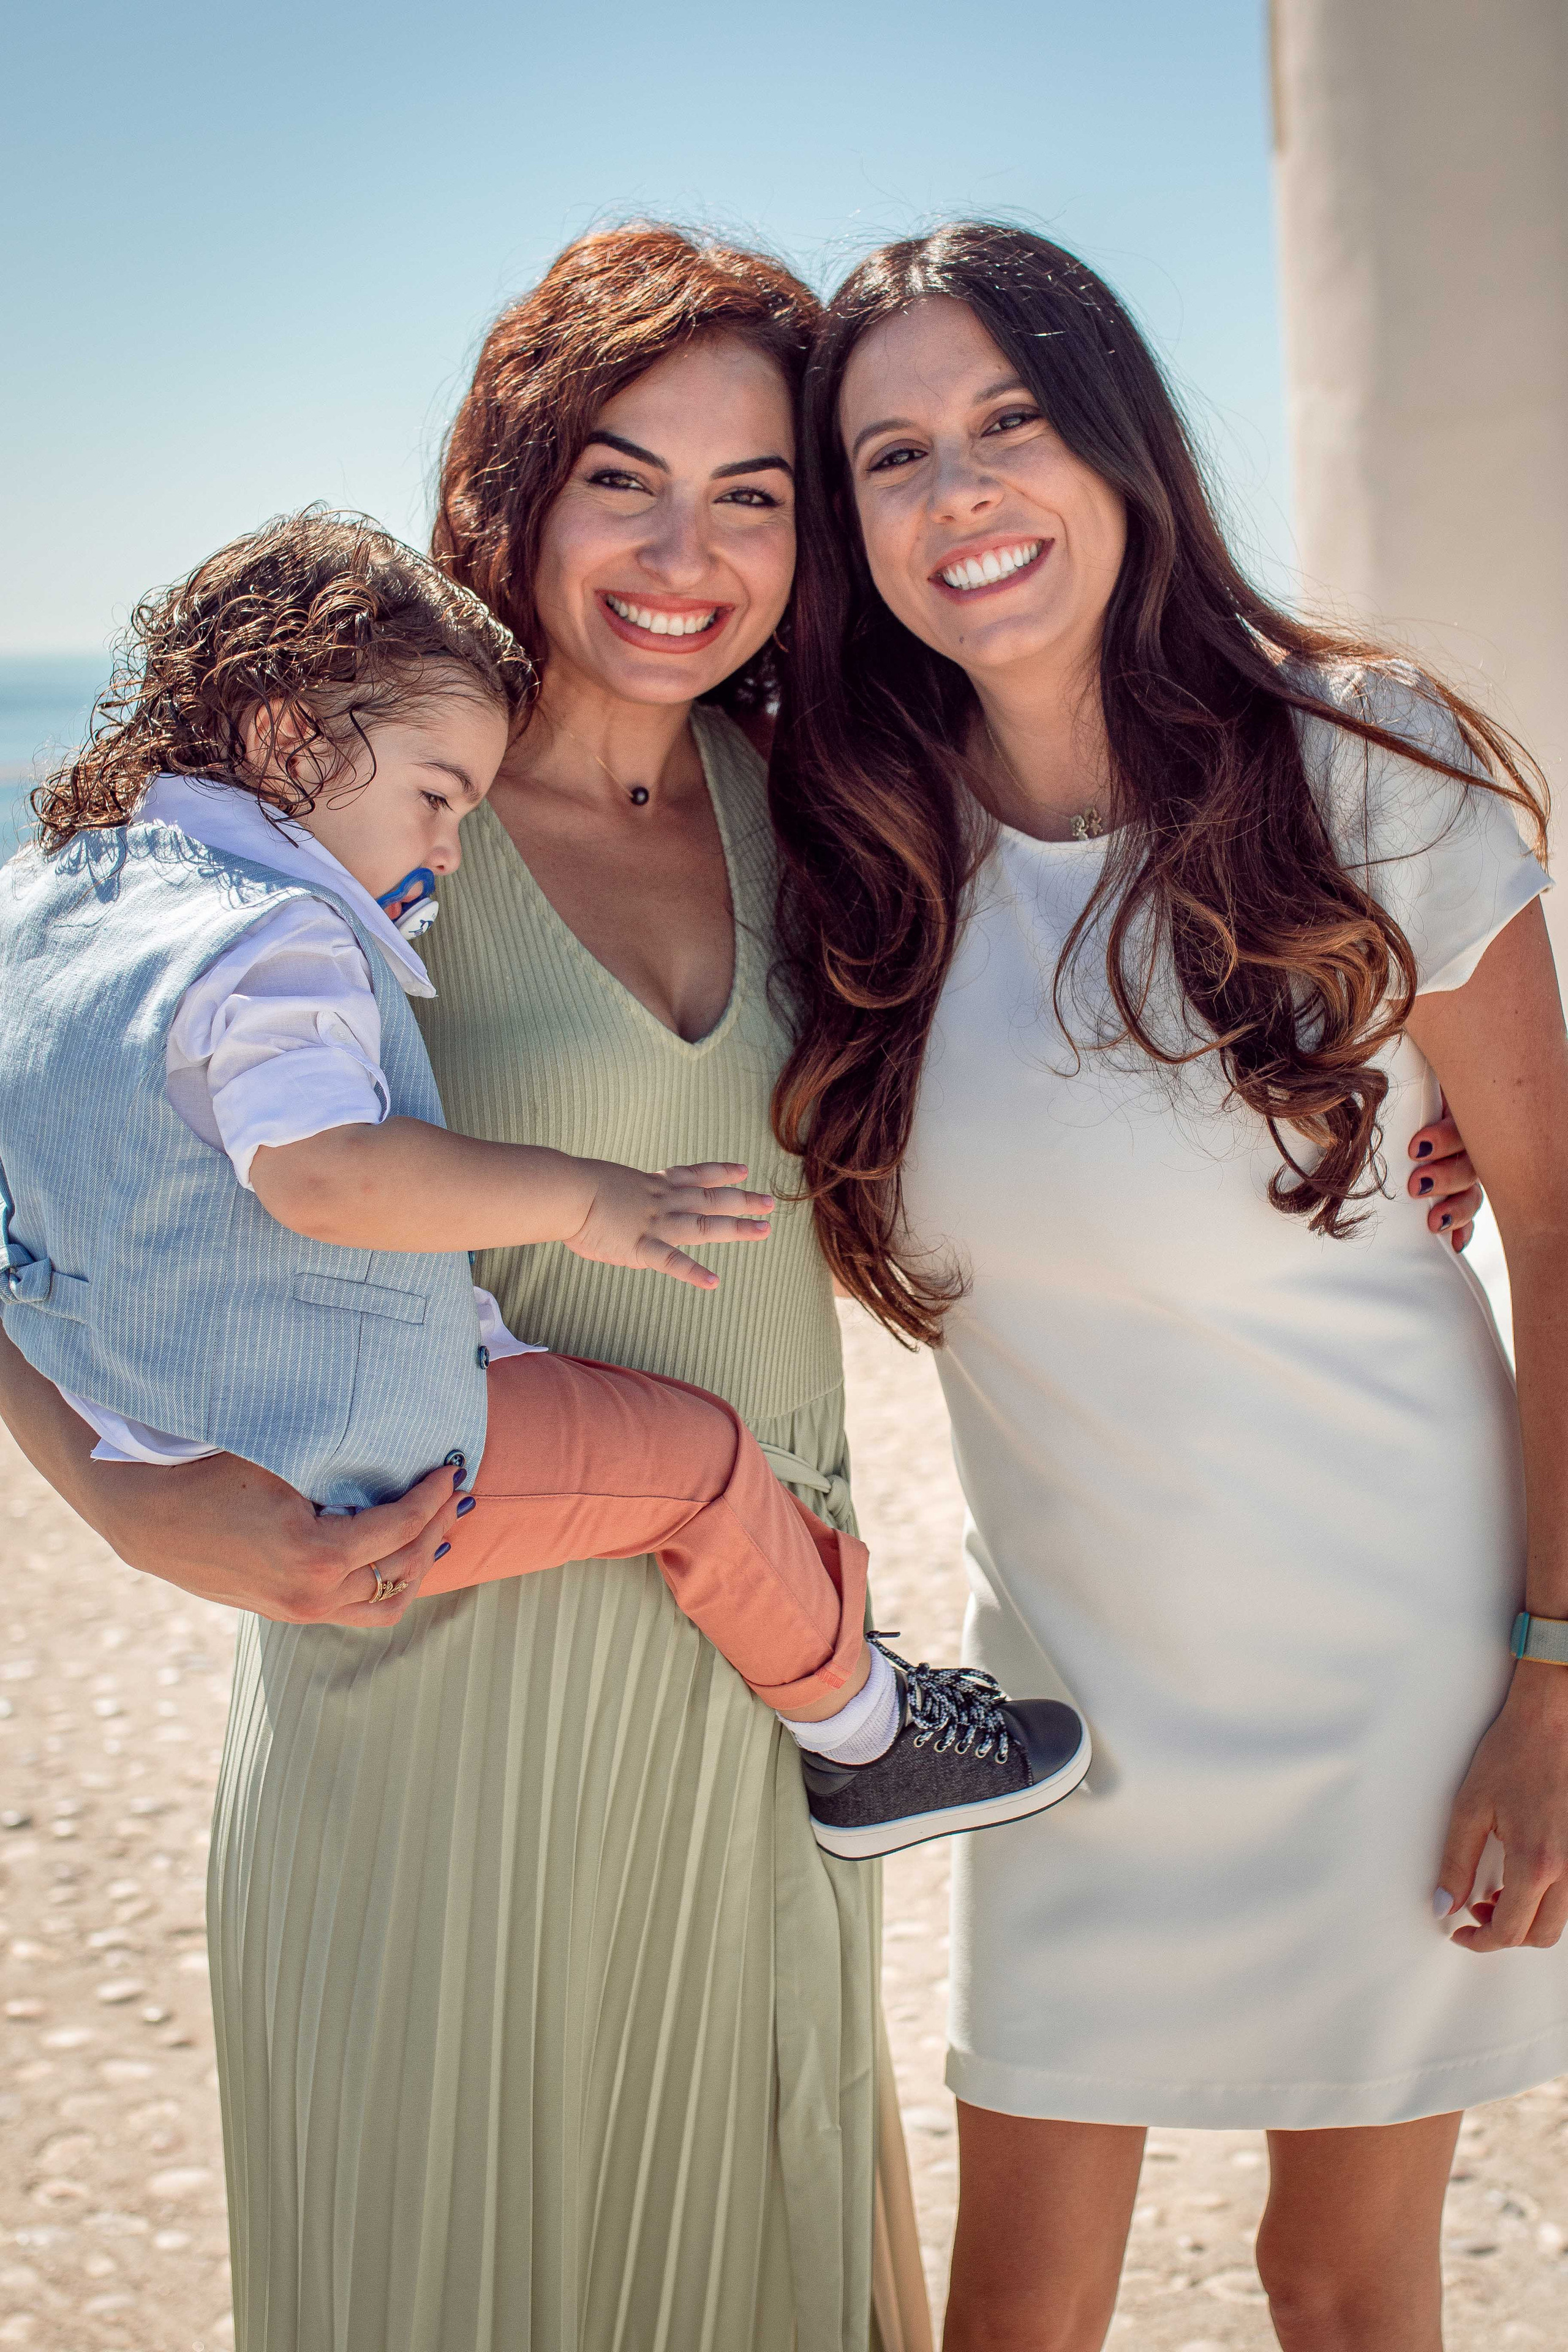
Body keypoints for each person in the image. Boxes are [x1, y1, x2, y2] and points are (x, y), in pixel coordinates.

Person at [0, 224, 1485, 2352]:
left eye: (756, 492)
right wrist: (103, 1489)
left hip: (776, 1688)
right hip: (435, 1671)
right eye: (623, 474)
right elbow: (32, 1131)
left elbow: (1105, 1032)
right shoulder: (346, 814)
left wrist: (1388, 1118)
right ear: (516, 480)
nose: (684, 551)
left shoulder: (840, 802)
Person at [772, 222, 1568, 2352]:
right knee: (1014, 2311)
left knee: (1339, 2281)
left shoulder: (1364, 768)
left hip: (1399, 1672)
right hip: (1077, 1703)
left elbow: (1565, 1237)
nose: (963, 495)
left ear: (1123, 439)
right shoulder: (859, 845)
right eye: (893, 455)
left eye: (1010, 422)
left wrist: (1558, 1675)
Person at [0, 507, 1084, 1860]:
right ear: (290, 745)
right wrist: (586, 1199)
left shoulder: (63, 894)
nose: (451, 848)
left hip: (136, 1399)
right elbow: (326, 1177)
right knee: (700, 1464)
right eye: (437, 797)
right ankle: (864, 1736)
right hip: (349, 1453)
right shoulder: (275, 944)